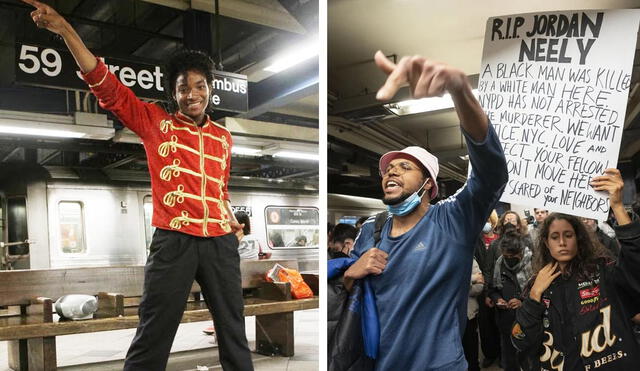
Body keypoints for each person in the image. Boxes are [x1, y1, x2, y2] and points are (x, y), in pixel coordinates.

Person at [22, 2, 253, 370]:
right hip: (174, 241)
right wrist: (66, 29)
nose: (192, 94)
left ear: (210, 89)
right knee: (154, 331)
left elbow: (220, 190)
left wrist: (230, 220)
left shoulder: (224, 137)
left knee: (233, 330)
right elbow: (106, 85)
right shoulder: (154, 122)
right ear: (173, 94)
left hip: (220, 244)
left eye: (199, 86)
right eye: (183, 88)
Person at [343, 51, 508, 369]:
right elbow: (350, 297)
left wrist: (460, 90)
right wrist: (351, 273)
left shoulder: (453, 219)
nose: (391, 172)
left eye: (404, 167)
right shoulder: (370, 231)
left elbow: (492, 173)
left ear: (428, 186)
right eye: (388, 169)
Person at [512, 168, 640, 370]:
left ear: (579, 239)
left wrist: (617, 206)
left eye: (568, 235)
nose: (562, 242)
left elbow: (635, 269)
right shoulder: (536, 284)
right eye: (555, 237)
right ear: (546, 242)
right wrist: (535, 295)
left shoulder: (604, 271)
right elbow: (520, 340)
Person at [487, 226, 532, 371]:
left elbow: (542, 294)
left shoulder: (533, 265)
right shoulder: (499, 264)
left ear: (521, 251)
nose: (509, 260)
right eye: (506, 257)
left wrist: (522, 301)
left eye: (513, 257)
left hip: (529, 323)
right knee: (509, 360)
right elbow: (492, 289)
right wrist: (497, 299)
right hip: (506, 322)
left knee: (529, 360)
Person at [462, 259, 484, 371]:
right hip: (449, 319)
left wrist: (459, 288)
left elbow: (479, 286)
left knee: (471, 354)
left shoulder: (470, 260)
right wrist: (472, 279)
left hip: (469, 314)